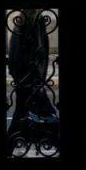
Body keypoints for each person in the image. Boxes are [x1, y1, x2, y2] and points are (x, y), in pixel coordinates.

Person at [6, 9, 59, 156]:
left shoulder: (25, 22)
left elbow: (18, 50)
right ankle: (54, 139)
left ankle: (11, 143)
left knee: (25, 111)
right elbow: (39, 51)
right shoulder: (32, 22)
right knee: (33, 111)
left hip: (27, 76)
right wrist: (37, 77)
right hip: (30, 77)